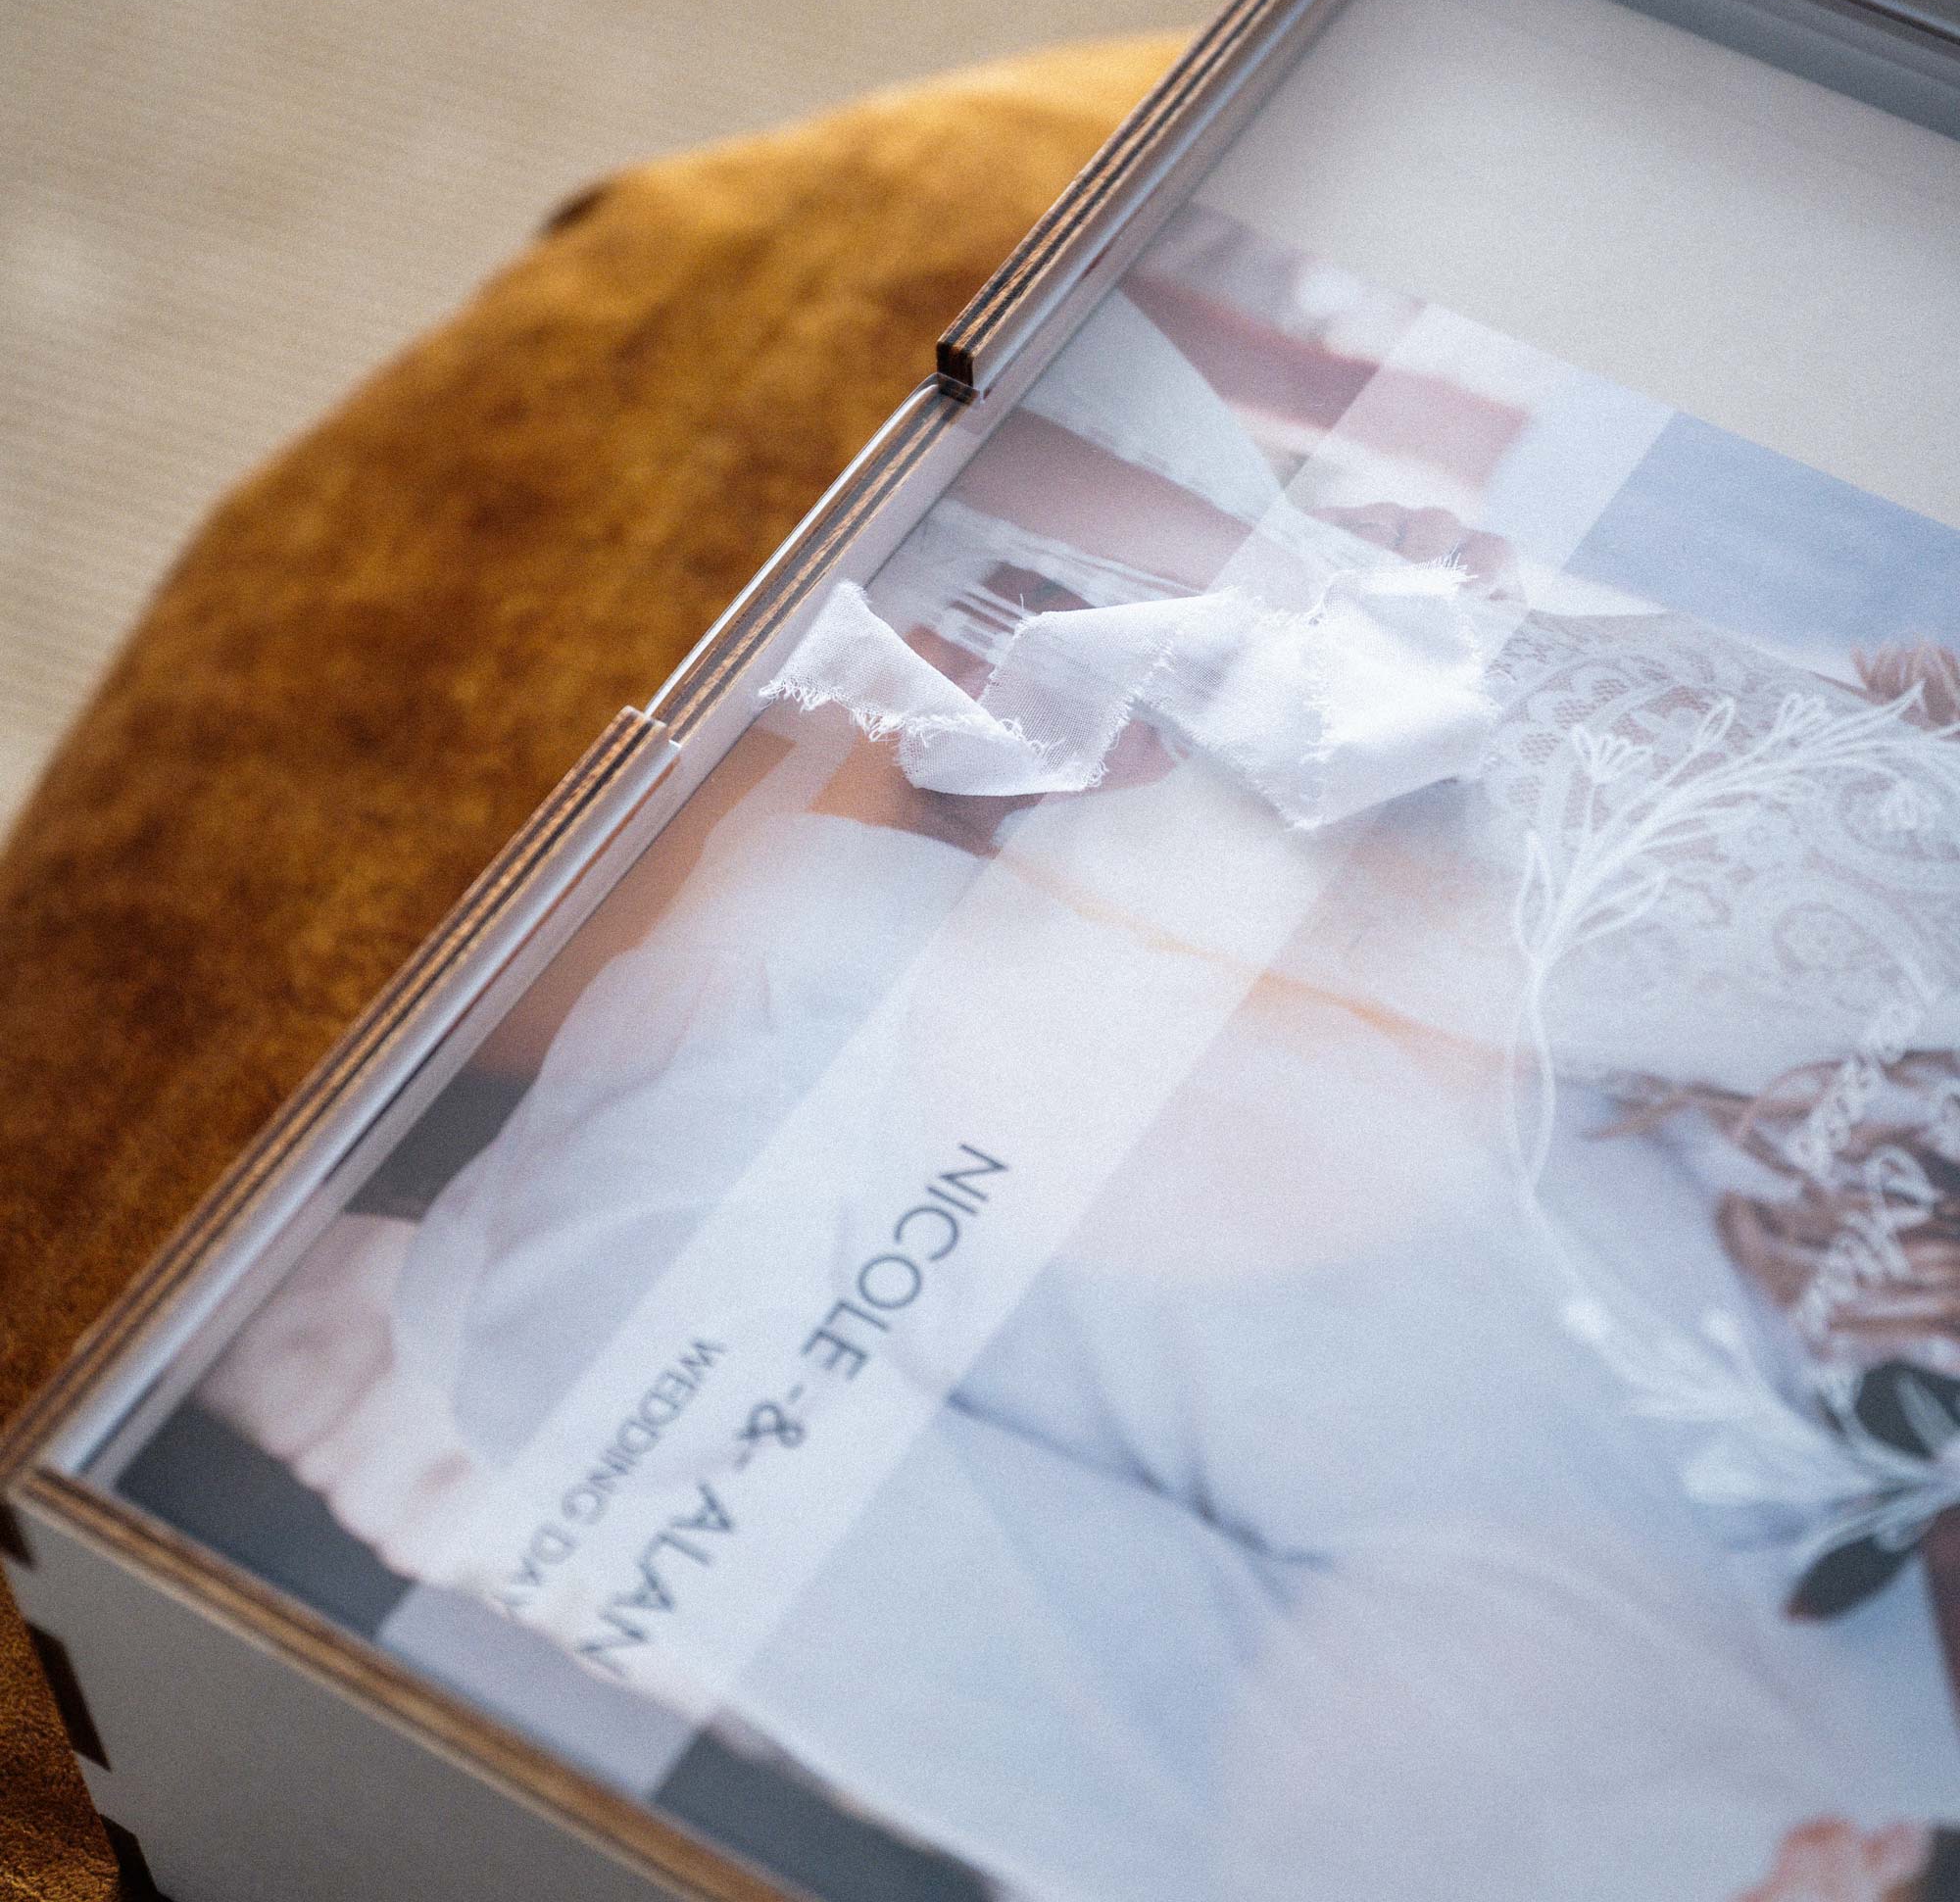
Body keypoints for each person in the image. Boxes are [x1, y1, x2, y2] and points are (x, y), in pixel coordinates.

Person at [200, 284, 1960, 1900]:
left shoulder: (1581, 1825)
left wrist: (898, 806)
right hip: (1021, 535)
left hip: (529, 899)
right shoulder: (1895, 1243)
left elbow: (625, 1403)